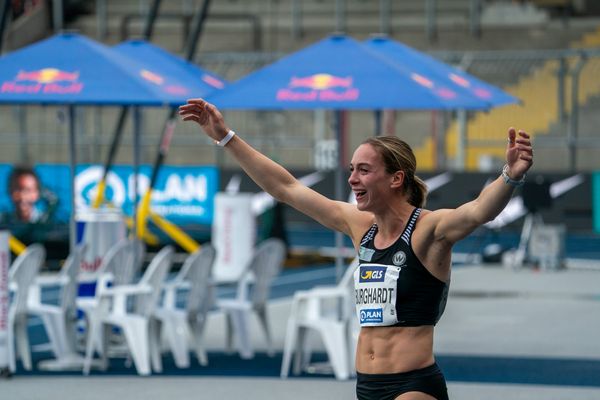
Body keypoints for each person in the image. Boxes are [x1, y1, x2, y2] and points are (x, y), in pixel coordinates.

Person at [179, 99, 533, 400]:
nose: (352, 180)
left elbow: (477, 212)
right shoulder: (359, 226)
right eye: (351, 170)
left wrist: (510, 176)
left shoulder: (428, 230)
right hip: (366, 385)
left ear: (396, 179)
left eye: (363, 171)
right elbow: (285, 188)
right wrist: (226, 137)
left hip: (412, 386)